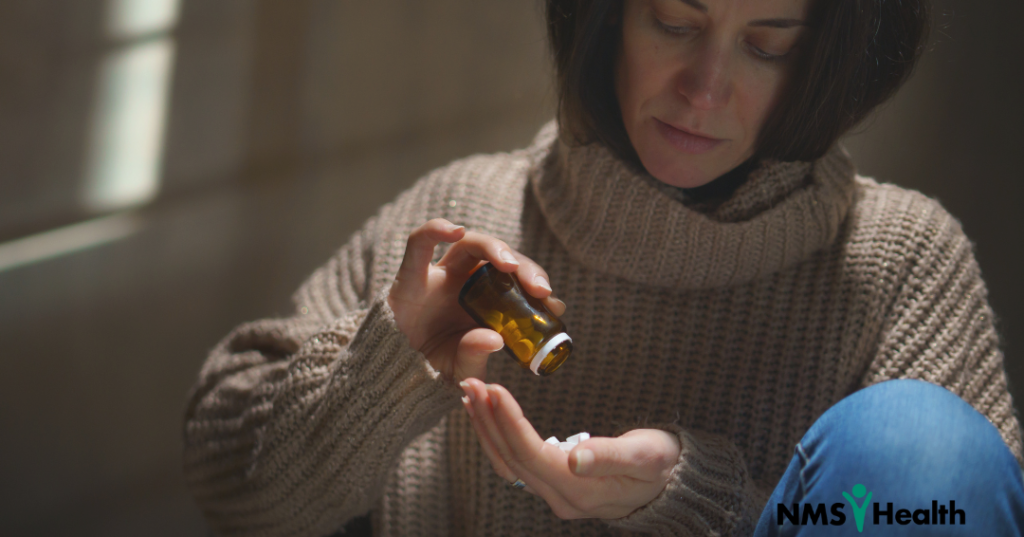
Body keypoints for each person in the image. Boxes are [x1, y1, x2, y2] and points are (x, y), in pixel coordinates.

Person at [183, 0, 1024, 535]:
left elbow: (938, 512)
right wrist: (386, 369)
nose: (704, 88)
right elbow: (234, 491)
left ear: (826, 62)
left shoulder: (903, 259)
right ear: (606, 17)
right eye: (675, 22)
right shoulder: (462, 215)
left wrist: (696, 499)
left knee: (926, 447)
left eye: (766, 45)